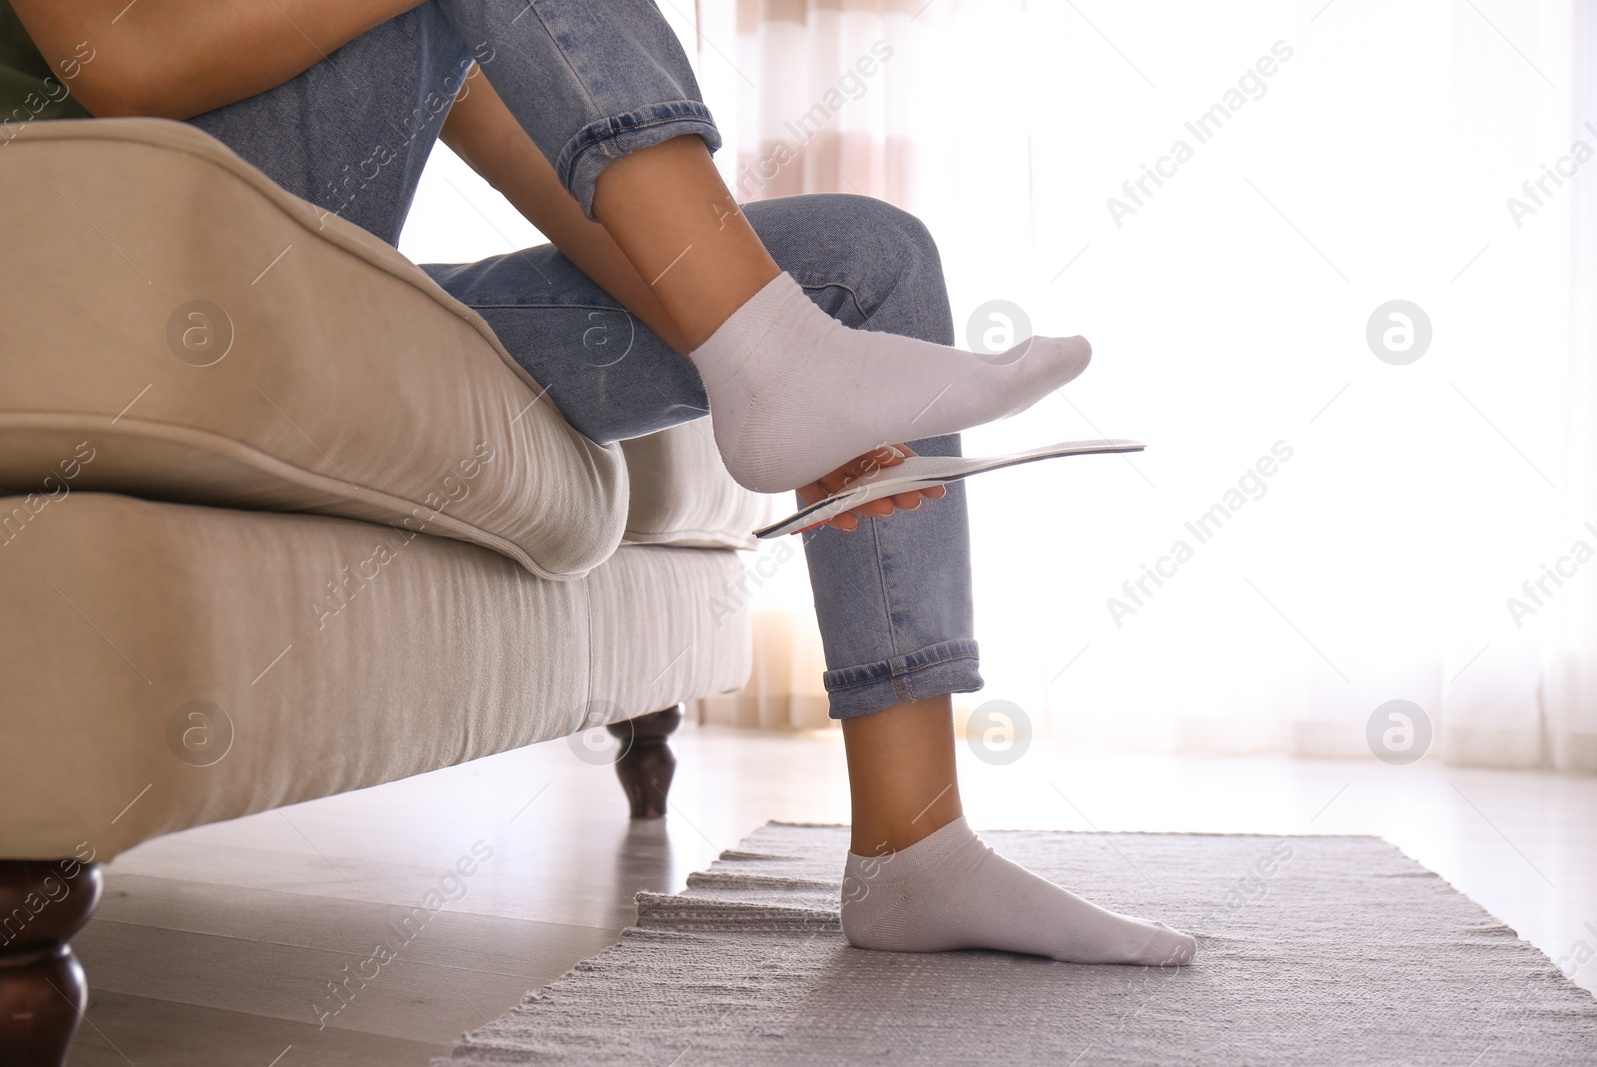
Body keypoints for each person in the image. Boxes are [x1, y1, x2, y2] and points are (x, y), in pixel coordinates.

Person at [9, 0, 1195, 968]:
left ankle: (914, 849)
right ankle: (778, 361)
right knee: (788, 339)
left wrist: (734, 324)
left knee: (871, 265)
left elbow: (565, 168)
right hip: (108, 248)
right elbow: (124, 60)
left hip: (333, 276)